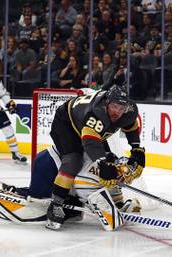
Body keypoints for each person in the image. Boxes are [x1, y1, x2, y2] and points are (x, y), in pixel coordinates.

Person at [0, 145, 142, 231]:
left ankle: (14, 189)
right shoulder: (95, 175)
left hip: (64, 172)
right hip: (49, 166)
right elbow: (108, 219)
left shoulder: (109, 169)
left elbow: (112, 199)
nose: (124, 180)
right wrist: (113, 214)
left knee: (72, 214)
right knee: (38, 211)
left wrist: (122, 207)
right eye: (123, 176)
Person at [46, 84, 145, 230]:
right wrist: (102, 163)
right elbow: (90, 142)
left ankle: (117, 202)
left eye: (121, 108)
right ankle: (56, 204)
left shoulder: (129, 111)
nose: (117, 112)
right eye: (114, 106)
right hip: (66, 124)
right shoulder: (96, 113)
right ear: (107, 102)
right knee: (73, 160)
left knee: (111, 161)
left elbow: (131, 127)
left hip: (89, 127)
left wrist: (136, 148)